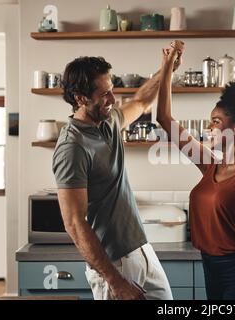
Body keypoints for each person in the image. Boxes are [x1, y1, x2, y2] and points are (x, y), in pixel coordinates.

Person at [156, 41, 235, 300]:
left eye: (216, 121)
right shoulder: (208, 162)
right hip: (211, 270)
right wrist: (167, 66)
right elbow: (164, 120)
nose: (208, 126)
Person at [52, 46, 181, 300]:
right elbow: (74, 223)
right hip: (114, 263)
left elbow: (142, 101)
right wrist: (115, 281)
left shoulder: (107, 121)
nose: (112, 99)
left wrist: (166, 68)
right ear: (80, 97)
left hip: (140, 248)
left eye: (111, 90)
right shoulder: (72, 146)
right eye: (104, 94)